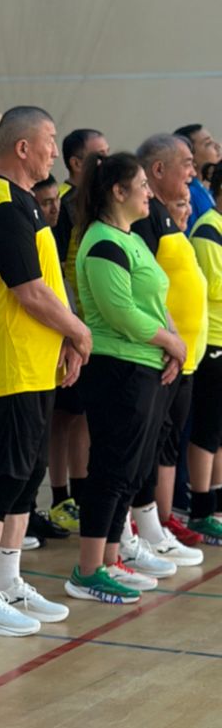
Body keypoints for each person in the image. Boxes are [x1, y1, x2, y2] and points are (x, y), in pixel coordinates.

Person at [0, 107, 87, 637]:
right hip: (8, 366)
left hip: (34, 367)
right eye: (49, 140)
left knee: (26, 477)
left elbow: (45, 284)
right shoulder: (3, 204)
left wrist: (62, 341)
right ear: (23, 148)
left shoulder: (25, 201)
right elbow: (28, 291)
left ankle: (7, 582)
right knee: (4, 477)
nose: (54, 150)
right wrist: (78, 331)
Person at [65, 153, 185, 604]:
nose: (149, 193)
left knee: (132, 471)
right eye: (142, 185)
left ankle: (111, 558)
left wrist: (173, 341)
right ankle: (88, 569)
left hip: (144, 366)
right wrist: (170, 342)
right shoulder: (101, 242)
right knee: (111, 470)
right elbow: (121, 313)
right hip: (117, 369)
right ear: (118, 192)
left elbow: (154, 301)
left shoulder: (129, 238)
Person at [129, 133, 210, 553]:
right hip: (160, 355)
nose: (193, 172)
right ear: (158, 170)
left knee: (166, 442)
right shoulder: (146, 219)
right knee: (149, 444)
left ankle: (159, 522)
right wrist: (168, 339)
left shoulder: (164, 216)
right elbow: (143, 290)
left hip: (182, 356)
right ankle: (144, 526)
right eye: (187, 164)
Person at [48, 127, 109, 535]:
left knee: (82, 415)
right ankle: (59, 497)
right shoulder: (66, 204)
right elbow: (58, 270)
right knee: (63, 417)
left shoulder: (97, 203)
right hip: (70, 325)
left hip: (92, 329)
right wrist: (70, 324)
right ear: (75, 163)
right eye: (97, 155)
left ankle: (82, 492)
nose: (105, 162)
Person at [187, 161, 222, 542]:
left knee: (219, 431)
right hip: (212, 342)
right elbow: (214, 287)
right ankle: (200, 509)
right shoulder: (209, 230)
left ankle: (216, 504)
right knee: (207, 429)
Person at [175, 123, 217, 227]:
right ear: (190, 156)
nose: (217, 146)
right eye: (208, 144)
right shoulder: (189, 195)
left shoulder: (211, 189)